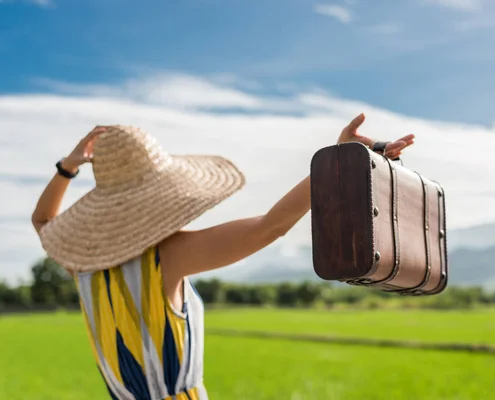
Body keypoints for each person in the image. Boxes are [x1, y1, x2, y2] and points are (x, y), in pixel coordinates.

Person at [31, 114, 415, 400]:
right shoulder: (168, 257)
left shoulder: (83, 267)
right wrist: (337, 161)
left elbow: (44, 221)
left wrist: (68, 168)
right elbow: (271, 226)